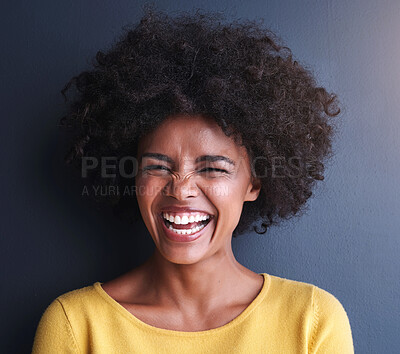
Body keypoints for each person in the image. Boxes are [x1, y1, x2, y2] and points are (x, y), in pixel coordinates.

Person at [32, 5, 354, 353]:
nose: (181, 188)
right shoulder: (76, 325)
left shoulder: (311, 320)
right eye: (157, 166)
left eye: (212, 169)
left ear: (254, 183)